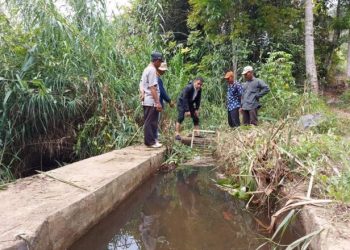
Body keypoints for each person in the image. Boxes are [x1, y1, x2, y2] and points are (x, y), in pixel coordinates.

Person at [139, 52, 164, 148]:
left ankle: (152, 140)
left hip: (146, 100)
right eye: (160, 62)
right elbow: (152, 87)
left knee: (150, 121)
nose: (160, 64)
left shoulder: (146, 69)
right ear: (157, 61)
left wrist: (142, 93)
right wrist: (157, 102)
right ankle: (150, 142)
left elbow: (141, 84)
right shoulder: (152, 70)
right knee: (151, 121)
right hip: (151, 100)